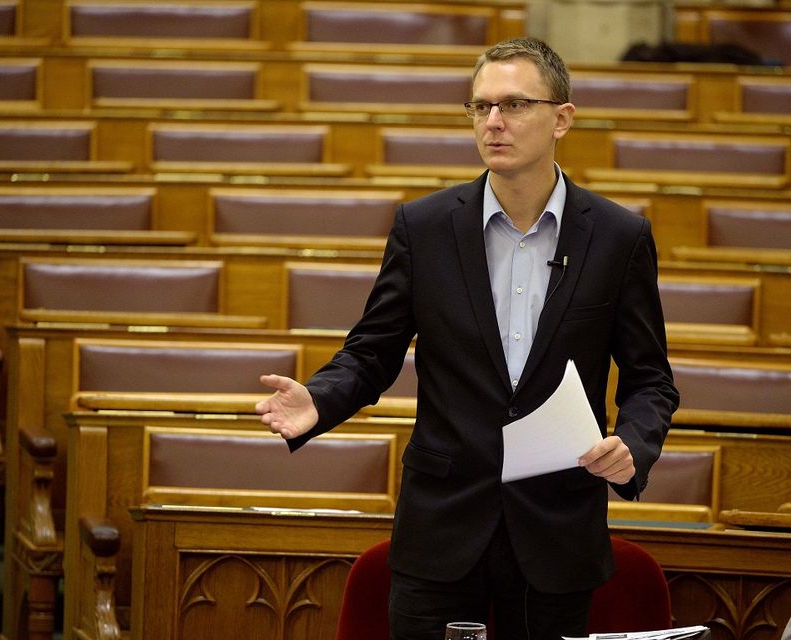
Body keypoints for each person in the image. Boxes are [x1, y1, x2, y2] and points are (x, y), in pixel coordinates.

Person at [256, 37, 679, 640]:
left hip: (557, 529)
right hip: (442, 526)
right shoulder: (425, 227)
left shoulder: (618, 237)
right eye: (481, 107)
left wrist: (634, 444)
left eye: (514, 105)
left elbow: (650, 379)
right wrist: (319, 401)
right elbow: (372, 352)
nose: (494, 122)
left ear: (562, 119)